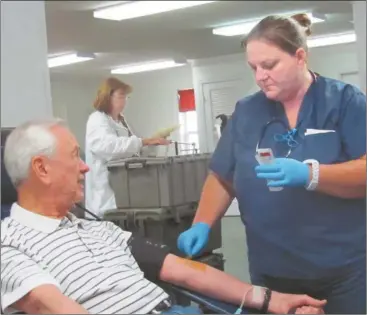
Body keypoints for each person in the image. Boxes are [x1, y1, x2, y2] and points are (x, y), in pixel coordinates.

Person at [0, 119, 326, 314]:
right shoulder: (10, 246)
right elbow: (49, 306)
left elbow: (183, 271)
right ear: (41, 168)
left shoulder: (98, 230)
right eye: (75, 157)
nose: (85, 167)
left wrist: (273, 301)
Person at [177, 13, 366, 314]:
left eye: (269, 65)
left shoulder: (344, 102)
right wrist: (202, 222)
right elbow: (223, 175)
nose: (260, 76)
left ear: (300, 56)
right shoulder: (248, 111)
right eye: (253, 67)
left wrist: (311, 173)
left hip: (339, 271)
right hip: (271, 273)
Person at [85, 77, 170, 217]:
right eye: (121, 96)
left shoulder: (121, 120)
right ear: (107, 96)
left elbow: (134, 151)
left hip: (124, 196)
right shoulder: (97, 119)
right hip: (104, 201)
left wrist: (154, 143)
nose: (124, 101)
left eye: (126, 97)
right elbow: (108, 147)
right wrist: (143, 141)